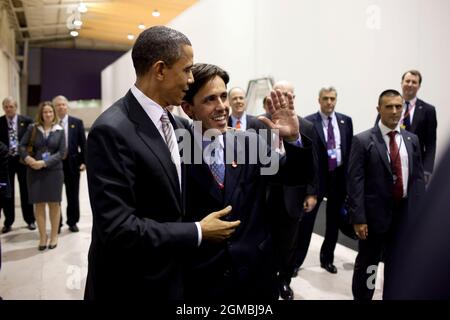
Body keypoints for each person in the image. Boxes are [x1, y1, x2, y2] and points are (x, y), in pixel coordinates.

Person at [84, 26, 240, 300]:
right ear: (159, 70)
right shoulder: (111, 130)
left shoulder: (177, 125)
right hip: (132, 286)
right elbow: (118, 229)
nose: (191, 79)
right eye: (187, 69)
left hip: (173, 280)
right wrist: (197, 232)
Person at [180, 63, 313, 301]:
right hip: (202, 278)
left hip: (255, 273)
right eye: (210, 99)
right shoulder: (176, 152)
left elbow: (293, 177)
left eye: (223, 96)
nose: (222, 107)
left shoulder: (249, 142)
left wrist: (293, 139)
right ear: (188, 108)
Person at [347, 89, 425, 300]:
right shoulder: (363, 141)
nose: (394, 111)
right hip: (373, 219)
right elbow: (355, 183)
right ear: (379, 109)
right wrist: (359, 218)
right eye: (389, 106)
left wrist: (420, 214)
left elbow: (417, 179)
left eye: (398, 106)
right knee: (369, 265)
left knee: (398, 263)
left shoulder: (412, 140)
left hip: (404, 216)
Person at [262, 80, 319, 300]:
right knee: (266, 242)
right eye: (280, 93)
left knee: (288, 243)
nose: (284, 97)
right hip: (265, 196)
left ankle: (284, 280)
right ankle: (267, 279)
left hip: (292, 195)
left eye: (288, 94)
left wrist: (312, 192)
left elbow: (313, 164)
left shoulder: (305, 127)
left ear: (293, 97)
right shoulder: (260, 123)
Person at [383, 143, 450, 299]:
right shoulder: (369, 139)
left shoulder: (412, 141)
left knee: (393, 263)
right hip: (379, 210)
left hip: (405, 209)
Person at [301, 87, 353, 274]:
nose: (329, 102)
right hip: (318, 178)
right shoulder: (308, 122)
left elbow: (347, 151)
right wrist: (310, 188)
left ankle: (327, 259)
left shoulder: (345, 121)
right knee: (307, 224)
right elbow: (306, 156)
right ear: (319, 100)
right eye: (325, 98)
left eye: (332, 98)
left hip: (338, 178)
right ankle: (295, 262)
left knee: (333, 223)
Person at [376, 70, 437, 184]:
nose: (410, 84)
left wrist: (427, 170)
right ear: (401, 83)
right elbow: (377, 132)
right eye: (407, 81)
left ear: (419, 86)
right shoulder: (388, 105)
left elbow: (431, 143)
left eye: (414, 82)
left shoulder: (428, 110)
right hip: (389, 159)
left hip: (415, 165)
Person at [19, 101, 65, 250]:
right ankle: (42, 237)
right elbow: (22, 146)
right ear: (41, 114)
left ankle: (53, 236)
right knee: (39, 204)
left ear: (54, 114)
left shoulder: (60, 130)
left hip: (53, 171)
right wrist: (28, 159)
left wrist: (44, 163)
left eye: (50, 112)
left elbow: (62, 153)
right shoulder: (33, 128)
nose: (48, 114)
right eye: (45, 112)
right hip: (34, 171)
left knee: (54, 204)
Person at [0, 97, 35, 233]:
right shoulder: (0, 122)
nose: (9, 109)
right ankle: (8, 222)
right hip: (5, 161)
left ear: (16, 107)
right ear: (4, 108)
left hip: (23, 161)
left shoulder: (27, 122)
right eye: (6, 107)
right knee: (7, 192)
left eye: (11, 106)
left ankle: (30, 220)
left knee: (25, 190)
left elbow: (32, 140)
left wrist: (28, 155)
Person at [52, 95, 86, 233]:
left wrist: (84, 161)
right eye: (58, 105)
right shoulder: (51, 123)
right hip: (54, 166)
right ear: (54, 108)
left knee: (73, 195)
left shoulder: (76, 122)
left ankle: (72, 221)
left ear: (67, 106)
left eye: (63, 104)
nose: (61, 107)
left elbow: (83, 144)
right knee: (56, 196)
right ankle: (57, 223)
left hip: (73, 164)